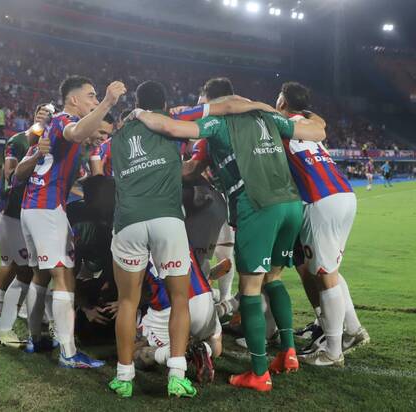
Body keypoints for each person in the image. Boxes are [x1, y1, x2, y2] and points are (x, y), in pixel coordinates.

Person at [132, 82, 326, 392]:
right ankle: (288, 354)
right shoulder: (269, 117)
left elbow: (171, 129)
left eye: (202, 100)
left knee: (249, 289)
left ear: (212, 100)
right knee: (274, 279)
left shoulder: (216, 121)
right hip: (290, 204)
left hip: (258, 205)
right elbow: (318, 131)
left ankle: (259, 372)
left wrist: (140, 116)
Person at [14, 75, 126, 368]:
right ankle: (69, 352)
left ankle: (34, 337)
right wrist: (107, 102)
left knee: (40, 275)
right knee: (64, 276)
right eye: (90, 95)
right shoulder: (64, 120)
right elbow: (76, 133)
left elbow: (21, 172)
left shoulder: (49, 126)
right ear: (74, 99)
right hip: (48, 208)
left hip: (31, 207)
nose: (93, 99)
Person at [108, 80, 196, 398]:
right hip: (167, 218)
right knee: (180, 299)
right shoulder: (171, 125)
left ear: (136, 102)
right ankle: (176, 375)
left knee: (128, 301)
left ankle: (123, 378)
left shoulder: (118, 134)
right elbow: (193, 143)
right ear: (164, 103)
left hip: (129, 219)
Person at [274, 82, 369, 367]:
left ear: (282, 103)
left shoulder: (279, 124)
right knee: (331, 271)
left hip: (319, 200)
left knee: (325, 275)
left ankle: (332, 350)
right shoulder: (310, 123)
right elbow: (321, 122)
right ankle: (353, 331)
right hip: (345, 195)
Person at [0, 106, 53, 349]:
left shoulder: (53, 142)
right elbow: (10, 175)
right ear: (36, 114)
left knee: (33, 269)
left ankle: (32, 324)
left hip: (36, 213)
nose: (45, 117)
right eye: (42, 113)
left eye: (50, 114)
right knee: (20, 267)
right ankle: (1, 315)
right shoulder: (18, 140)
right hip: (14, 212)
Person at [135, 249, 222, 385]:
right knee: (216, 343)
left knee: (132, 353)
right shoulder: (181, 232)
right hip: (203, 298)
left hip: (170, 307)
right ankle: (205, 347)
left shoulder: (137, 238)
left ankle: (180, 352)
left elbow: (138, 291)